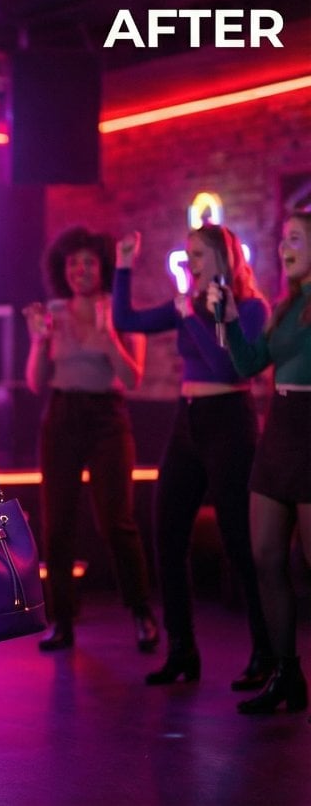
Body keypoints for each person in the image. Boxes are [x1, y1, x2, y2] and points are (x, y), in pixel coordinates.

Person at [112, 223, 273, 689]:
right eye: (187, 255)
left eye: (198, 255)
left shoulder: (251, 307)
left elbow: (227, 364)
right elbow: (127, 320)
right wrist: (124, 263)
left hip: (230, 419)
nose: (190, 263)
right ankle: (182, 650)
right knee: (166, 532)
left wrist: (194, 318)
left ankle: (265, 651)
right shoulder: (190, 304)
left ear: (223, 259)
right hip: (188, 419)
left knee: (239, 540)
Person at [23, 226, 158, 654]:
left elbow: (132, 376)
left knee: (116, 520)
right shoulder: (54, 313)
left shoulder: (119, 311)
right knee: (57, 523)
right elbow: (35, 382)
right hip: (62, 415)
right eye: (73, 263)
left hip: (107, 417)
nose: (81, 269)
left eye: (89, 262)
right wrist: (39, 341)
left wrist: (108, 338)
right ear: (63, 270)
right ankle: (62, 621)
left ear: (101, 267)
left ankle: (141, 613)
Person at [208, 209, 311, 717]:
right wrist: (227, 322)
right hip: (280, 432)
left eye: (295, 238)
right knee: (266, 556)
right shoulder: (286, 305)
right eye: (282, 239)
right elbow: (249, 365)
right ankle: (286, 675)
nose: (284, 247)